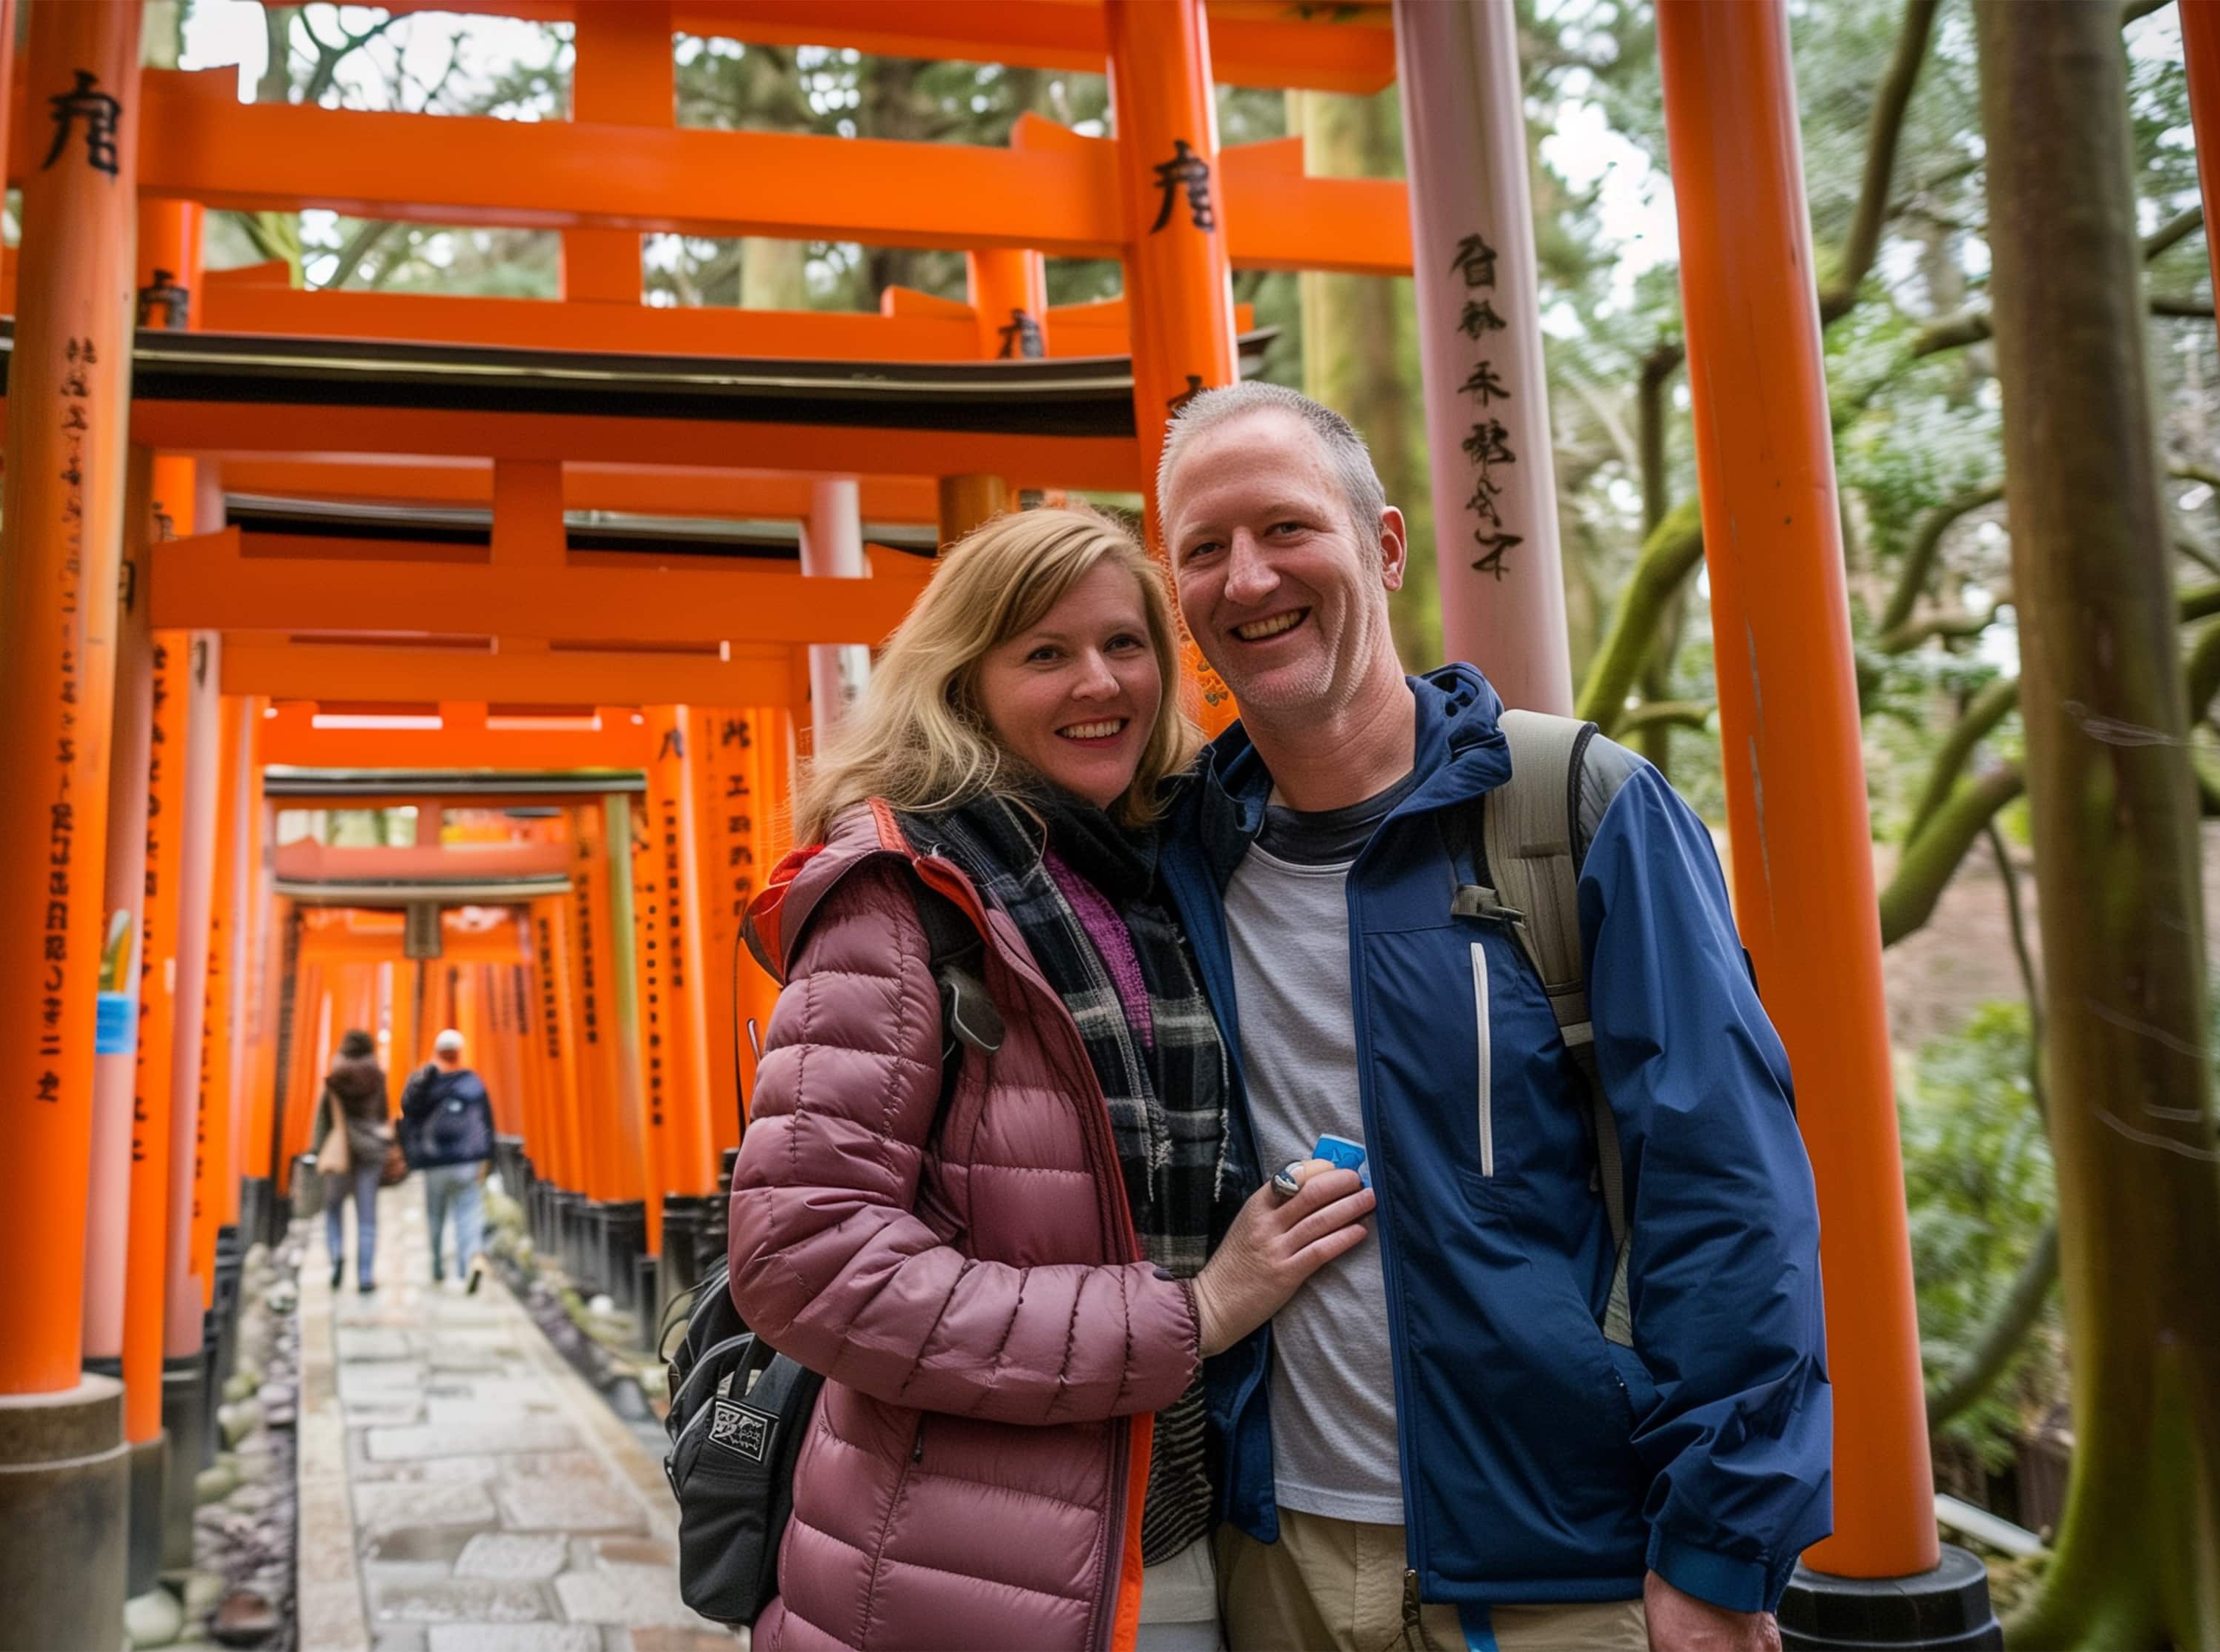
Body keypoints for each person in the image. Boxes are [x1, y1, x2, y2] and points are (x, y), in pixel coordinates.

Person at [1151, 382, 1829, 1652]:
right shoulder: (1176, 854)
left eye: (1286, 528)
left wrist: (1721, 1548)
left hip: (1565, 1568)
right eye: (1204, 549)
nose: (1248, 579)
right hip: (1271, 1556)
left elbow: (1730, 1192)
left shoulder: (1576, 806)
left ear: (1386, 545)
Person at [727, 507, 1378, 1652]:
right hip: (958, 1563)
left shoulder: (1164, 873)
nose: (1101, 681)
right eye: (1045, 652)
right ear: (964, 683)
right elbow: (801, 1255)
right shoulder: (907, 896)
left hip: (1177, 1525)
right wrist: (1193, 1311)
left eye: (1126, 644)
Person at [401, 1027, 496, 1292]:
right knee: (468, 1212)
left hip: (434, 1162)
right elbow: (486, 1121)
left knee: (435, 1213)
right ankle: (468, 1265)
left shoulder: (425, 1083)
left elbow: (407, 1112)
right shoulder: (472, 1082)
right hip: (467, 1160)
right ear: (459, 1052)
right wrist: (488, 1157)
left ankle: (437, 1264)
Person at [304, 1028, 393, 1295]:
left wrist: (318, 1150)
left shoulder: (336, 1078)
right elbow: (382, 1114)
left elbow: (325, 1119)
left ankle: (337, 1256)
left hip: (341, 1149)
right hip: (370, 1151)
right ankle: (365, 1276)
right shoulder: (377, 1076)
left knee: (333, 1208)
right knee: (367, 1216)